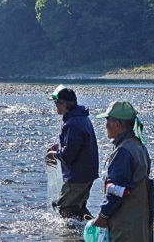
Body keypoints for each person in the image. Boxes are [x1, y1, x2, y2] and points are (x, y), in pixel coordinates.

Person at [90, 101, 153, 241]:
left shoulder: (123, 152)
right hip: (139, 224)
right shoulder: (139, 146)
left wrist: (103, 216)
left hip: (125, 226)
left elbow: (116, 190)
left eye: (107, 121)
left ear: (117, 125)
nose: (105, 126)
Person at [45, 85, 98, 220]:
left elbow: (69, 155)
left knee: (65, 207)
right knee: (79, 207)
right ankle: (92, 231)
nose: (55, 106)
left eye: (56, 103)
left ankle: (72, 235)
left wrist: (55, 154)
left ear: (63, 105)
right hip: (87, 173)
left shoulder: (72, 123)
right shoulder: (81, 117)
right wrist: (59, 146)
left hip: (78, 176)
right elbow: (77, 145)